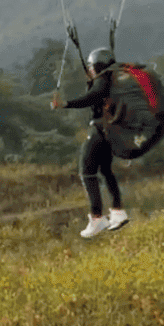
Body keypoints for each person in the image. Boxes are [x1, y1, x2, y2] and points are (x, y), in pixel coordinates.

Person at [51, 46, 129, 238]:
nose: (90, 68)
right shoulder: (113, 81)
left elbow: (91, 97)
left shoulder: (102, 83)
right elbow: (97, 96)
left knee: (86, 171)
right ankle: (118, 211)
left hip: (99, 131)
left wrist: (65, 104)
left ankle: (97, 217)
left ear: (97, 65)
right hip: (111, 132)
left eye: (91, 65)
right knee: (105, 171)